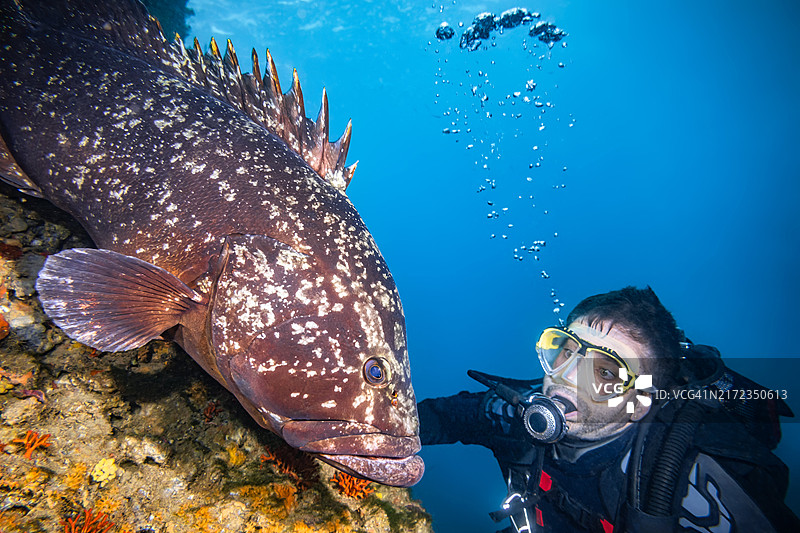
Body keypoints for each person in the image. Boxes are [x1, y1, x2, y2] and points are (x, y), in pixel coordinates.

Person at [418, 286, 800, 532]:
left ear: (639, 403)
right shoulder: (514, 414)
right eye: (566, 350)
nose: (566, 377)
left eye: (603, 372)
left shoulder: (691, 481)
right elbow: (429, 419)